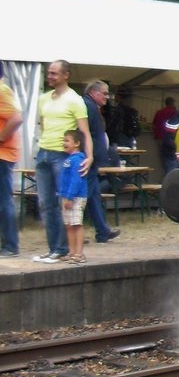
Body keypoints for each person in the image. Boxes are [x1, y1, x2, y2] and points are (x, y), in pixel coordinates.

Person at [34, 60, 92, 263]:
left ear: (65, 75)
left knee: (64, 203)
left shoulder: (75, 100)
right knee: (45, 203)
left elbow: (85, 132)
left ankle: (62, 249)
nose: (50, 77)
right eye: (48, 73)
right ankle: (54, 248)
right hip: (44, 151)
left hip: (62, 156)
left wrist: (89, 156)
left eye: (53, 73)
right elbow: (42, 125)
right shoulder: (43, 99)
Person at [82, 80, 121, 243]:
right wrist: (90, 155)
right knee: (84, 195)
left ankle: (102, 230)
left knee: (92, 195)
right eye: (104, 93)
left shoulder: (91, 106)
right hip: (87, 159)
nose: (107, 97)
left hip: (91, 158)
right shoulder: (88, 106)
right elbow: (85, 133)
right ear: (94, 92)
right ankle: (74, 231)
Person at [0, 63, 24, 258]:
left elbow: (16, 118)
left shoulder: (2, 90)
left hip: (3, 154)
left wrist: (0, 137)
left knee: (4, 200)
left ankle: (10, 245)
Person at [56, 129, 90, 265]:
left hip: (76, 196)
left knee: (76, 224)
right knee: (69, 225)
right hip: (66, 196)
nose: (64, 143)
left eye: (67, 141)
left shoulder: (77, 160)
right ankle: (71, 251)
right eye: (64, 140)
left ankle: (79, 253)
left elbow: (76, 180)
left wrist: (70, 197)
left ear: (77, 143)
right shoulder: (69, 159)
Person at [152, 97, 179, 176]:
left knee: (163, 159)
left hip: (160, 138)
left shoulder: (159, 112)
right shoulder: (175, 113)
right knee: (173, 159)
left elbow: (153, 125)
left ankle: (165, 174)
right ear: (173, 103)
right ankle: (170, 177)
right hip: (172, 139)